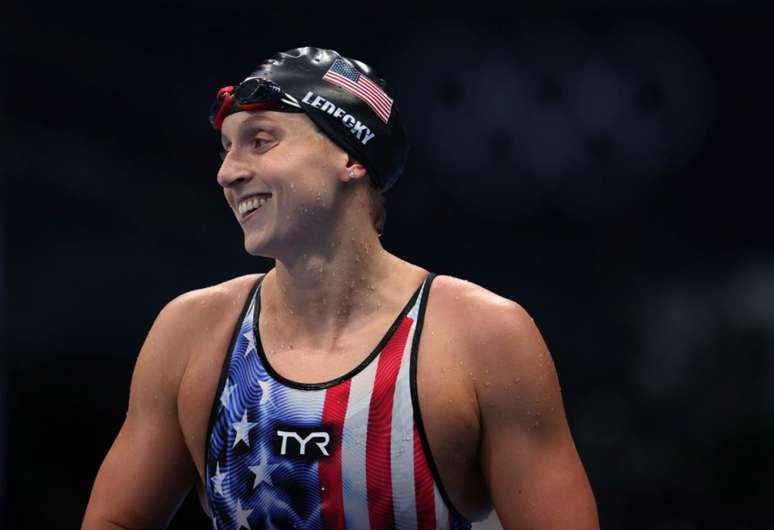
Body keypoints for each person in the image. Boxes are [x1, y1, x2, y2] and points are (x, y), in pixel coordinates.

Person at [82, 46, 599, 530]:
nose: (228, 173)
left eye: (260, 141)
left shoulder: (482, 337)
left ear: (351, 157)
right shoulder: (193, 332)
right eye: (226, 149)